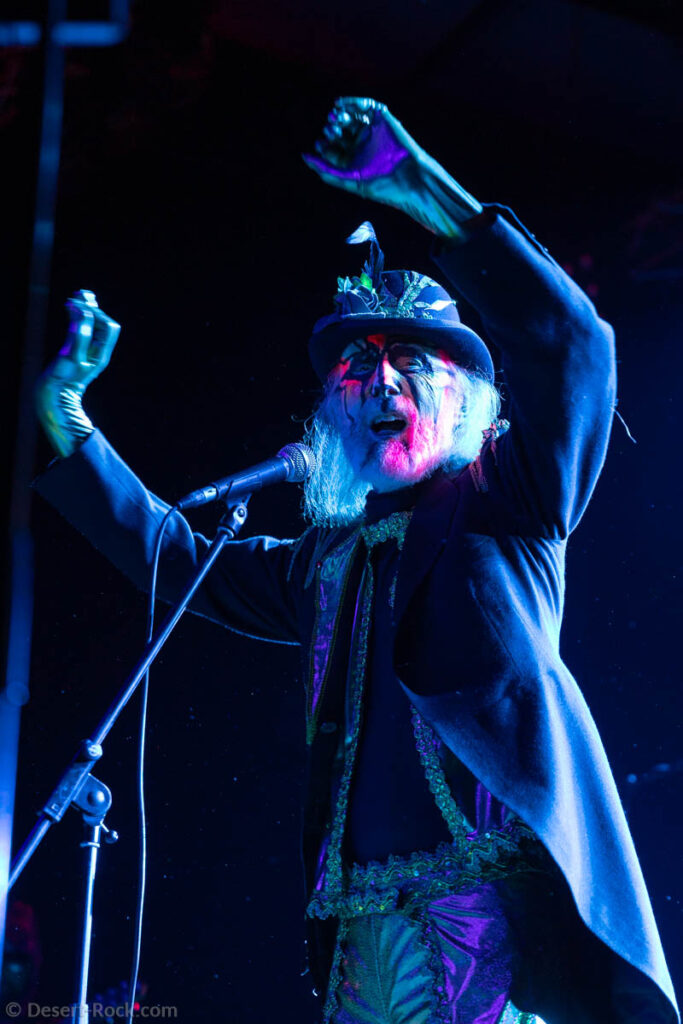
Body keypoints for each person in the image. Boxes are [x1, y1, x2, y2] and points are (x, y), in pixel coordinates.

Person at [34, 98, 678, 1024]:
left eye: (409, 362)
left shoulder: (509, 503)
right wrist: (70, 422)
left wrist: (424, 192)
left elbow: (574, 350)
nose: (378, 380)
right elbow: (174, 556)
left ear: (464, 399)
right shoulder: (321, 562)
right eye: (355, 368)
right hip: (360, 930)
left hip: (494, 914)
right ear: (329, 412)